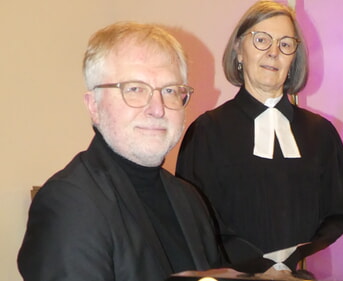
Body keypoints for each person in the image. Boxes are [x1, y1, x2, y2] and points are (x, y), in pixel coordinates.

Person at [18, 22, 224, 281]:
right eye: (135, 89)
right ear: (94, 106)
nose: (157, 109)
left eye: (170, 90)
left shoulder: (189, 199)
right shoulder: (69, 205)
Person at [175, 0, 343, 277]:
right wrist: (261, 267)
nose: (274, 53)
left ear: (294, 58)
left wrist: (300, 257)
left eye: (286, 44)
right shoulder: (207, 131)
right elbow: (194, 224)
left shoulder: (320, 133)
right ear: (239, 50)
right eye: (261, 40)